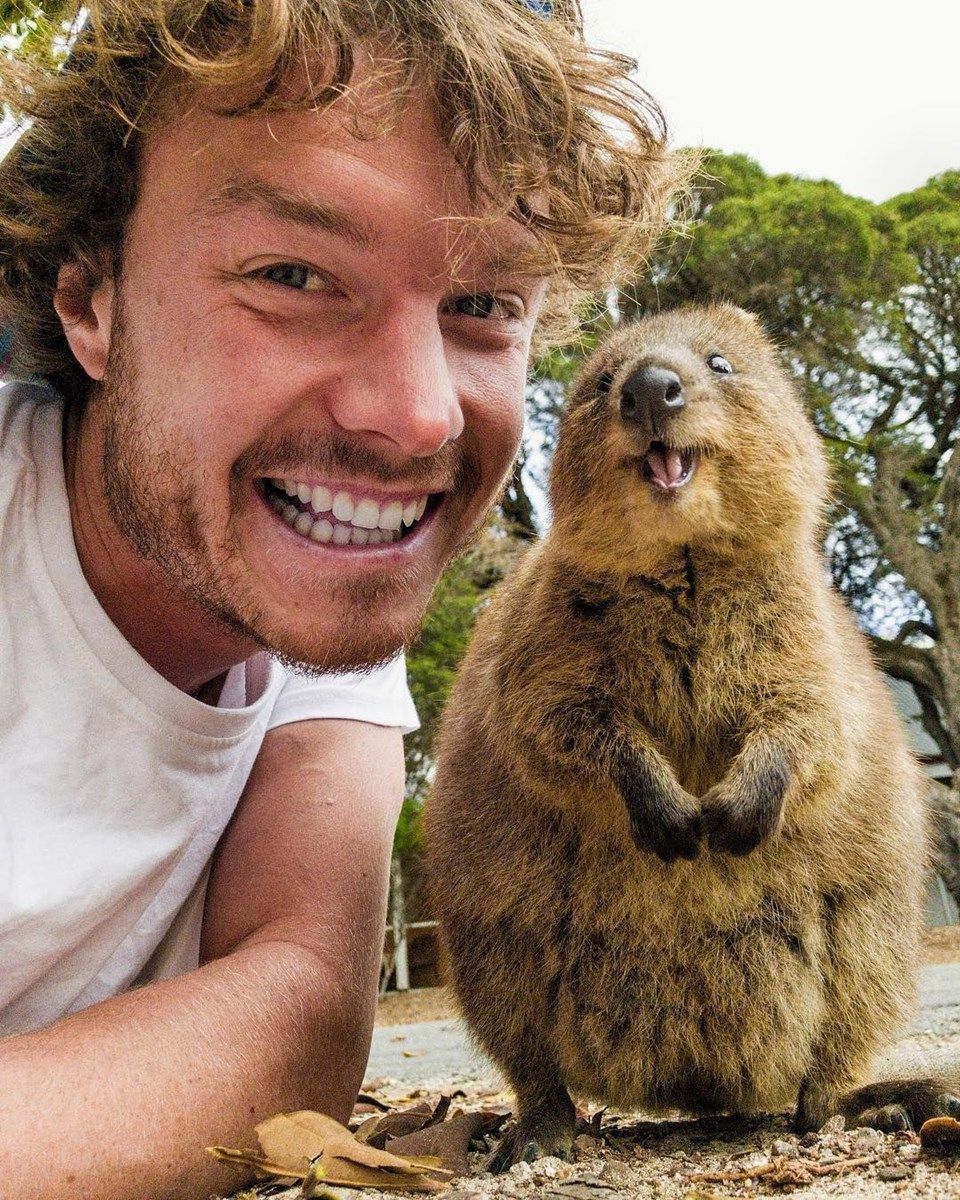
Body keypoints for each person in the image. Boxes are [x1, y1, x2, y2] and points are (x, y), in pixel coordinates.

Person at [0, 2, 682, 1195]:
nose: (417, 415)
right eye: (295, 275)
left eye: (484, 306)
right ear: (88, 302)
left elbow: (301, 1006)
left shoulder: (308, 589)